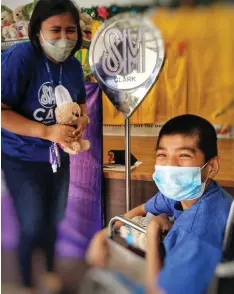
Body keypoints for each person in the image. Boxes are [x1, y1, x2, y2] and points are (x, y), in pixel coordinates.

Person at [86, 114, 232, 294]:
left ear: (211, 166)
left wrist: (153, 232)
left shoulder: (197, 233)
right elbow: (142, 209)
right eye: (162, 154)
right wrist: (100, 236)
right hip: (174, 271)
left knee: (98, 279)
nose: (171, 166)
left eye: (184, 155)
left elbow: (156, 292)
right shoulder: (188, 191)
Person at [1, 0, 90, 293]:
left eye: (70, 30)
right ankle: (26, 282)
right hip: (20, 156)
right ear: (37, 30)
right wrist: (46, 131)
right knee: (32, 222)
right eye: (55, 30)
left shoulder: (74, 66)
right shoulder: (20, 58)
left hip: (57, 156)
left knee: (54, 219)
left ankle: (50, 272)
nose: (63, 38)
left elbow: (79, 104)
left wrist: (82, 121)